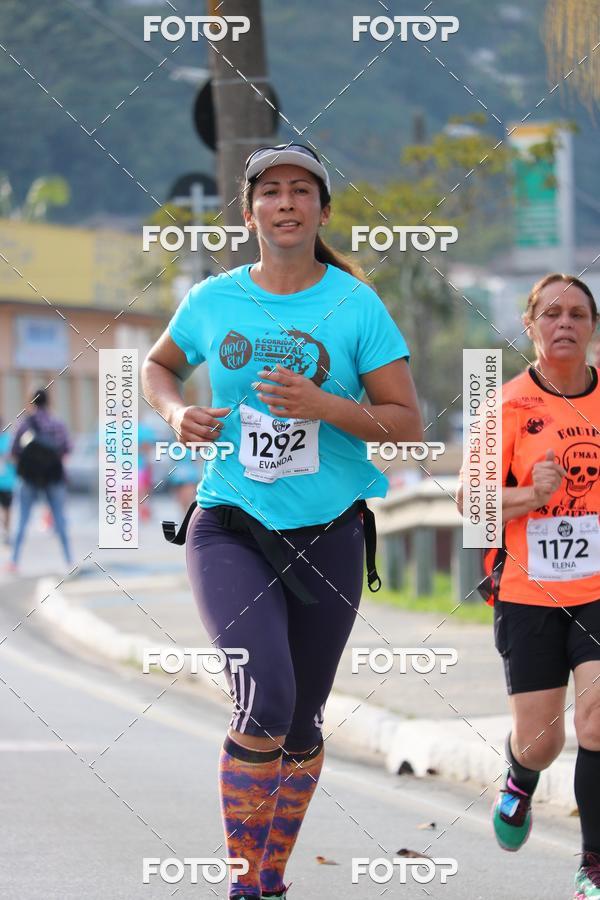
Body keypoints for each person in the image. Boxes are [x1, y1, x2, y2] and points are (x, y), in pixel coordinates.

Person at [142, 143, 423, 900]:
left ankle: (271, 878)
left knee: (301, 722)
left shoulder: (355, 304)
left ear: (322, 211)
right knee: (262, 697)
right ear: (251, 212)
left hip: (329, 531)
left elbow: (405, 422)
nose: (287, 202)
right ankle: (243, 884)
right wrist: (174, 412)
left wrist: (325, 407)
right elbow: (157, 365)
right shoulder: (213, 300)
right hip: (231, 522)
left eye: (302, 191)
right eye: (271, 192)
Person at [458, 273, 600, 899]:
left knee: (598, 724)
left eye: (577, 313)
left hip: (598, 591)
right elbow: (472, 505)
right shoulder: (508, 405)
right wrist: (532, 495)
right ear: (530, 325)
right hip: (527, 592)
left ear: (593, 327)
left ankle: (593, 865)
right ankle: (519, 777)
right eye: (551, 313)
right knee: (544, 741)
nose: (564, 323)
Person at [10, 387, 73, 572]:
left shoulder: (24, 424)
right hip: (54, 477)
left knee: (22, 520)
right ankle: (69, 560)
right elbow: (67, 449)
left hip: (29, 478)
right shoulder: (57, 423)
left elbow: (14, 451)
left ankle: (14, 561)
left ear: (32, 402)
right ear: (48, 401)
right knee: (60, 519)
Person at [0, 418, 16, 544]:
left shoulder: (9, 440)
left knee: (7, 509)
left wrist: (7, 457)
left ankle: (7, 532)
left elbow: (15, 458)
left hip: (7, 481)